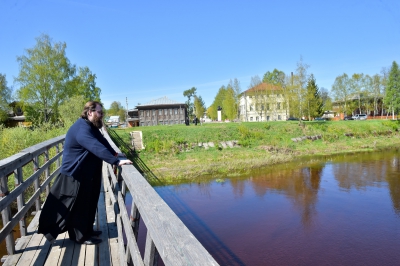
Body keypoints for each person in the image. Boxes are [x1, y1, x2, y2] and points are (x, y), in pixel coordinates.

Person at [38, 101, 132, 245]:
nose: (102, 116)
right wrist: (116, 162)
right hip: (75, 174)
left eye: (102, 113)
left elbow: (101, 141)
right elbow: (95, 147)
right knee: (80, 206)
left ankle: (87, 230)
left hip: (87, 173)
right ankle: (79, 236)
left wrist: (114, 154)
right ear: (90, 112)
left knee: (90, 202)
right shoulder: (82, 129)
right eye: (99, 113)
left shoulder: (91, 126)